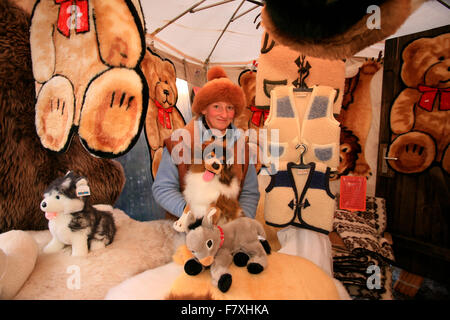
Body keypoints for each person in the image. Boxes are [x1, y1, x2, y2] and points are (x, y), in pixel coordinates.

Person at [152, 66, 260, 221]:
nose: (224, 114)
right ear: (203, 109)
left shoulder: (242, 147)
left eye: (229, 107)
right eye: (217, 106)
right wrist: (192, 213)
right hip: (187, 230)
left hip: (228, 231)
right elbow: (163, 188)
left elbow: (250, 192)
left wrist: (239, 222)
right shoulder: (178, 141)